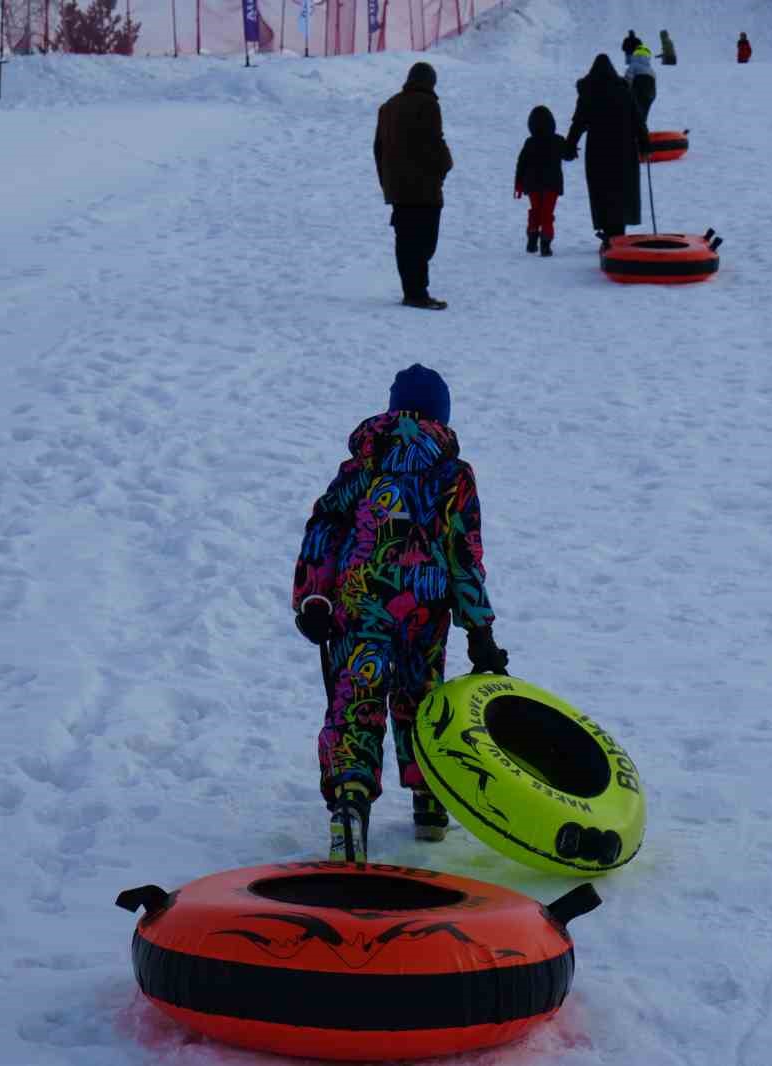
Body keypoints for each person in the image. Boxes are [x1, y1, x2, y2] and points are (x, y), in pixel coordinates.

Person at [293, 364, 509, 863]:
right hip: (423, 611)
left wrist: (313, 597)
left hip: (359, 604)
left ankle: (349, 804)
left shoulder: (361, 467)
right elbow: (464, 553)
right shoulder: (454, 475)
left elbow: (323, 527)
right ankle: (429, 800)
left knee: (356, 697)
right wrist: (479, 628)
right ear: (442, 415)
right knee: (421, 700)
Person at [374, 62, 453, 311]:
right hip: (424, 186)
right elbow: (433, 141)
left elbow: (378, 148)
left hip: (397, 187)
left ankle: (412, 290)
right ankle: (418, 292)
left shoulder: (387, 107)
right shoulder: (428, 104)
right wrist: (445, 165)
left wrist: (386, 180)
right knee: (425, 241)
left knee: (406, 238)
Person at [564, 54, 649, 248]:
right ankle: (617, 232)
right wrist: (644, 143)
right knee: (621, 189)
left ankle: (609, 232)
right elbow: (638, 119)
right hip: (624, 149)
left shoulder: (589, 91)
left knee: (602, 190)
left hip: (598, 149)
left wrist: (570, 146)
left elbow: (579, 122)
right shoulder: (623, 90)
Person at [514, 105, 568, 257]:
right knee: (547, 213)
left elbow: (521, 163)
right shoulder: (557, 141)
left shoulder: (529, 143)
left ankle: (532, 239)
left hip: (533, 184)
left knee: (535, 211)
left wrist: (518, 183)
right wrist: (572, 150)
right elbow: (568, 154)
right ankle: (545, 243)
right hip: (552, 184)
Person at [624, 37, 657, 124]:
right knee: (643, 115)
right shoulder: (651, 70)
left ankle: (632, 132)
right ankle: (642, 132)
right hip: (650, 94)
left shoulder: (634, 65)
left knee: (632, 112)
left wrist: (625, 90)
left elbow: (628, 78)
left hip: (638, 90)